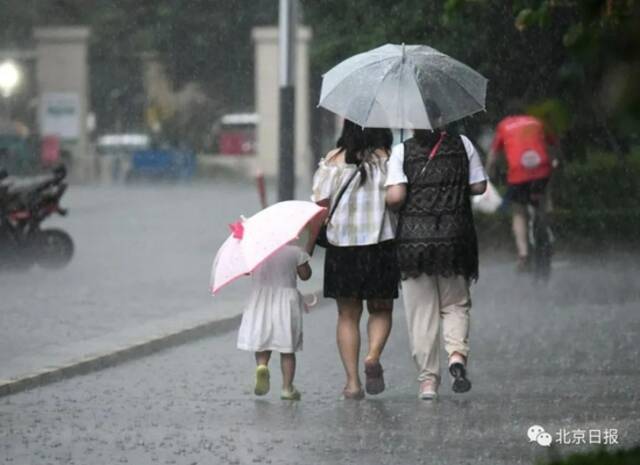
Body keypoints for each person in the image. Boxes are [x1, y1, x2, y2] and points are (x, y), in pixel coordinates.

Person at [385, 112, 487, 400]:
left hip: (414, 244)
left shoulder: (401, 152)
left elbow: (396, 197)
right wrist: (454, 186)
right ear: (440, 117)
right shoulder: (463, 144)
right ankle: (456, 356)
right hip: (454, 239)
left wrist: (388, 197)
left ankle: (428, 381)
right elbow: (480, 186)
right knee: (456, 304)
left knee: (421, 315)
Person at [311, 119, 399, 400]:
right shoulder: (388, 159)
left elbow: (318, 207)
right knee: (381, 310)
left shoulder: (332, 160)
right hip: (381, 245)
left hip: (342, 249)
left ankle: (352, 383)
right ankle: (372, 356)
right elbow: (399, 199)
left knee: (347, 315)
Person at [236, 243, 312, 400]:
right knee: (287, 350)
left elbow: (245, 271)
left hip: (261, 301)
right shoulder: (295, 251)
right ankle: (287, 388)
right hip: (286, 303)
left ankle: (262, 366)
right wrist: (305, 258)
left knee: (263, 342)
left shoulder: (256, 251)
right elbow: (305, 275)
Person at [486, 112, 556, 271]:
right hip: (541, 169)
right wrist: (556, 164)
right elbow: (552, 146)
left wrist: (488, 173)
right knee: (544, 202)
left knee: (518, 212)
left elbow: (493, 155)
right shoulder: (537, 121)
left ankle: (523, 255)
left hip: (519, 173)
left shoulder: (504, 125)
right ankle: (548, 233)